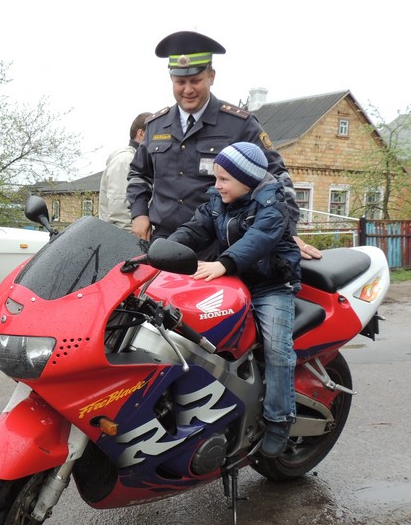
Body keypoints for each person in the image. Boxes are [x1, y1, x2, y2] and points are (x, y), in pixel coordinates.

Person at [127, 30, 321, 260]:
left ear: (211, 76)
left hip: (220, 248)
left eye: (196, 80)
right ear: (171, 80)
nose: (188, 90)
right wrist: (139, 214)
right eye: (180, 82)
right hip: (164, 244)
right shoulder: (156, 126)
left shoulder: (239, 124)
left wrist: (287, 232)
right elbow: (139, 174)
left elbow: (276, 178)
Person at [168, 142, 301, 457]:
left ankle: (279, 420)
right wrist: (164, 252)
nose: (217, 186)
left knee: (278, 350)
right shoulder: (219, 200)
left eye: (224, 179)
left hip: (271, 285)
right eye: (216, 178)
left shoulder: (272, 203)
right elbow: (194, 230)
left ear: (248, 180)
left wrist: (223, 263)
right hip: (233, 283)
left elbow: (259, 240)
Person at [98, 112, 151, 229]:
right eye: (155, 133)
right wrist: (137, 243)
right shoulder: (126, 161)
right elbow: (121, 214)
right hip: (127, 240)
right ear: (141, 134)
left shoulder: (137, 160)